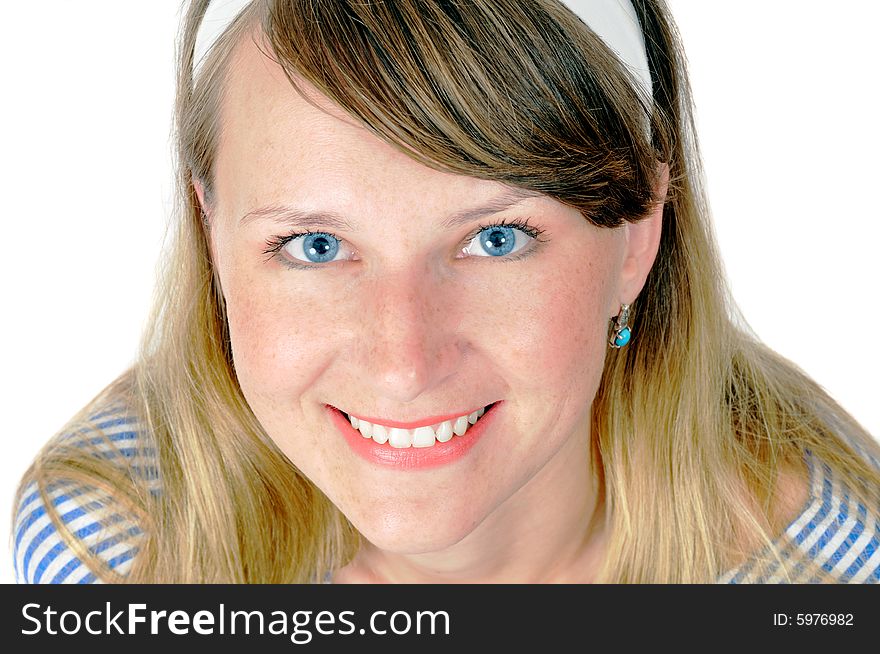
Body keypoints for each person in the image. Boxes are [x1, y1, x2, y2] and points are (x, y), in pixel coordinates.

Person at [12, 0, 880, 584]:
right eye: (315, 246)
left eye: (495, 239)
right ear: (212, 238)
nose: (403, 365)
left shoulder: (827, 574)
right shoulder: (110, 550)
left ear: (636, 236)